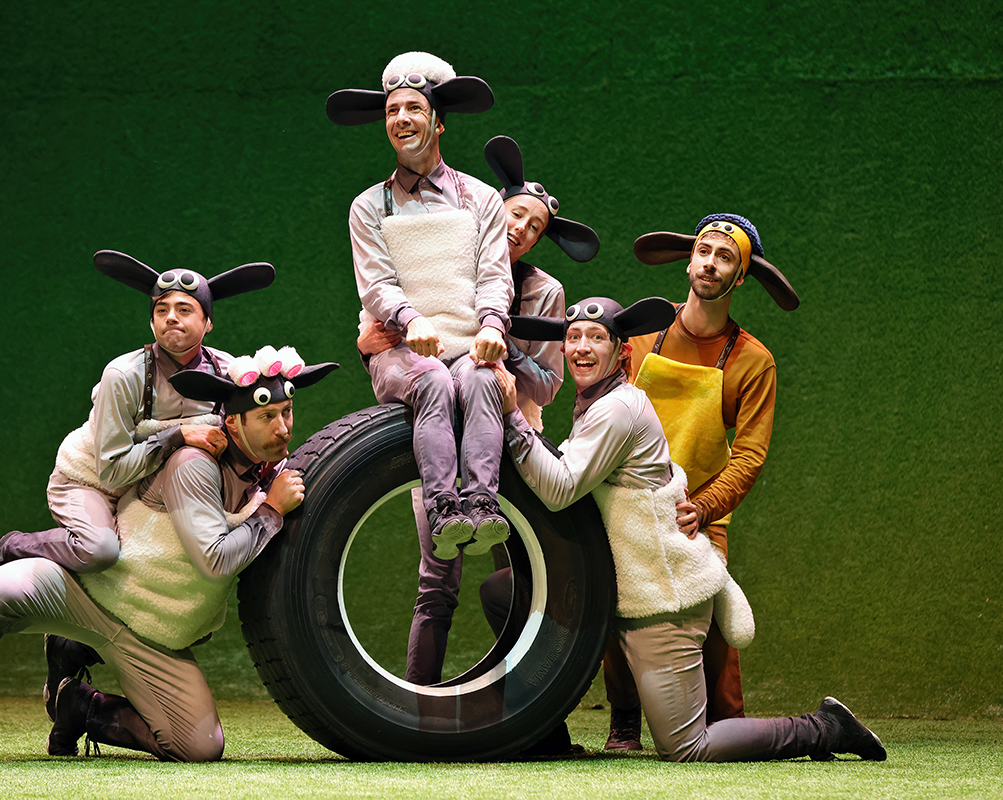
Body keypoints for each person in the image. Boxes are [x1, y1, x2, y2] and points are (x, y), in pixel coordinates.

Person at [0, 346, 337, 769]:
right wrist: (271, 512)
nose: (283, 428)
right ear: (233, 424)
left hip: (148, 632)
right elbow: (215, 560)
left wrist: (271, 500)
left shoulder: (271, 474)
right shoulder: (195, 464)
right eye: (267, 416)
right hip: (86, 594)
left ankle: (79, 705)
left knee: (200, 747)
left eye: (286, 412)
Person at [485, 297, 882, 762]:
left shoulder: (619, 408)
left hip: (660, 595)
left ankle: (824, 728)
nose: (581, 348)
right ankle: (543, 734)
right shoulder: (594, 404)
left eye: (596, 338)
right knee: (504, 592)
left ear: (622, 352)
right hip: (617, 588)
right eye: (573, 338)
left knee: (687, 746)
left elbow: (560, 488)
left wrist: (513, 416)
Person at [358, 135, 600, 686]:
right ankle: (419, 700)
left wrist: (501, 343)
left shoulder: (544, 292)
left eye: (535, 227)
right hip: (438, 430)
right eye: (516, 215)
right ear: (492, 212)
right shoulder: (446, 262)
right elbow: (388, 331)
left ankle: (529, 707)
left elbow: (547, 386)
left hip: (510, 436)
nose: (520, 229)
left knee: (519, 579)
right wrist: (371, 346)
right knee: (438, 579)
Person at [601, 213, 800, 749]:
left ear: (741, 276)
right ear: (688, 261)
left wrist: (705, 508)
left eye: (725, 257)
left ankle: (730, 723)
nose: (710, 263)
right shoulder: (643, 329)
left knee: (715, 624)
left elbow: (749, 456)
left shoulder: (754, 360)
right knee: (616, 604)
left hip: (695, 513)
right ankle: (624, 720)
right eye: (704, 251)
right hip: (625, 502)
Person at [0, 250, 275, 590]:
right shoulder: (124, 374)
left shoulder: (228, 372)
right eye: (161, 310)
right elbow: (110, 471)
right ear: (152, 322)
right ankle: (14, 547)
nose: (171, 318)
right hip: (94, 480)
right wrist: (177, 435)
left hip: (150, 489)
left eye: (184, 309)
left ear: (208, 322)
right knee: (99, 550)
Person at [327, 51, 514, 560]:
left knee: (481, 381)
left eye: (413, 108)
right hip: (403, 351)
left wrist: (492, 326)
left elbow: (494, 275)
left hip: (467, 343)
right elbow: (376, 284)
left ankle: (482, 502)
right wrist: (410, 320)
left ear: (439, 122)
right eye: (392, 111)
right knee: (432, 379)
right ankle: (443, 509)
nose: (402, 118)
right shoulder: (369, 206)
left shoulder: (482, 199)